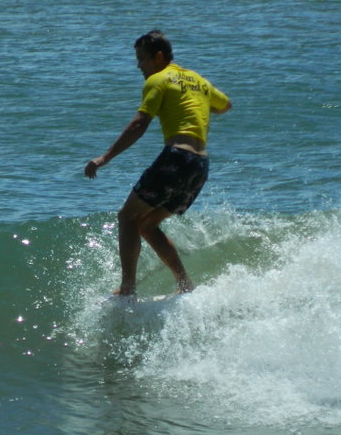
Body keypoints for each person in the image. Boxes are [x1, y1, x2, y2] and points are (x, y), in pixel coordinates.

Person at [85, 30, 231, 297]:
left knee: (127, 217)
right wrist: (194, 103)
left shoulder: (158, 80)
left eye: (142, 59)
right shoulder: (197, 80)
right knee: (147, 225)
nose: (138, 65)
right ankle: (185, 284)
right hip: (200, 166)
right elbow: (224, 105)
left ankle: (128, 288)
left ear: (159, 57)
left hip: (177, 158)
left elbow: (140, 123)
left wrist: (104, 158)